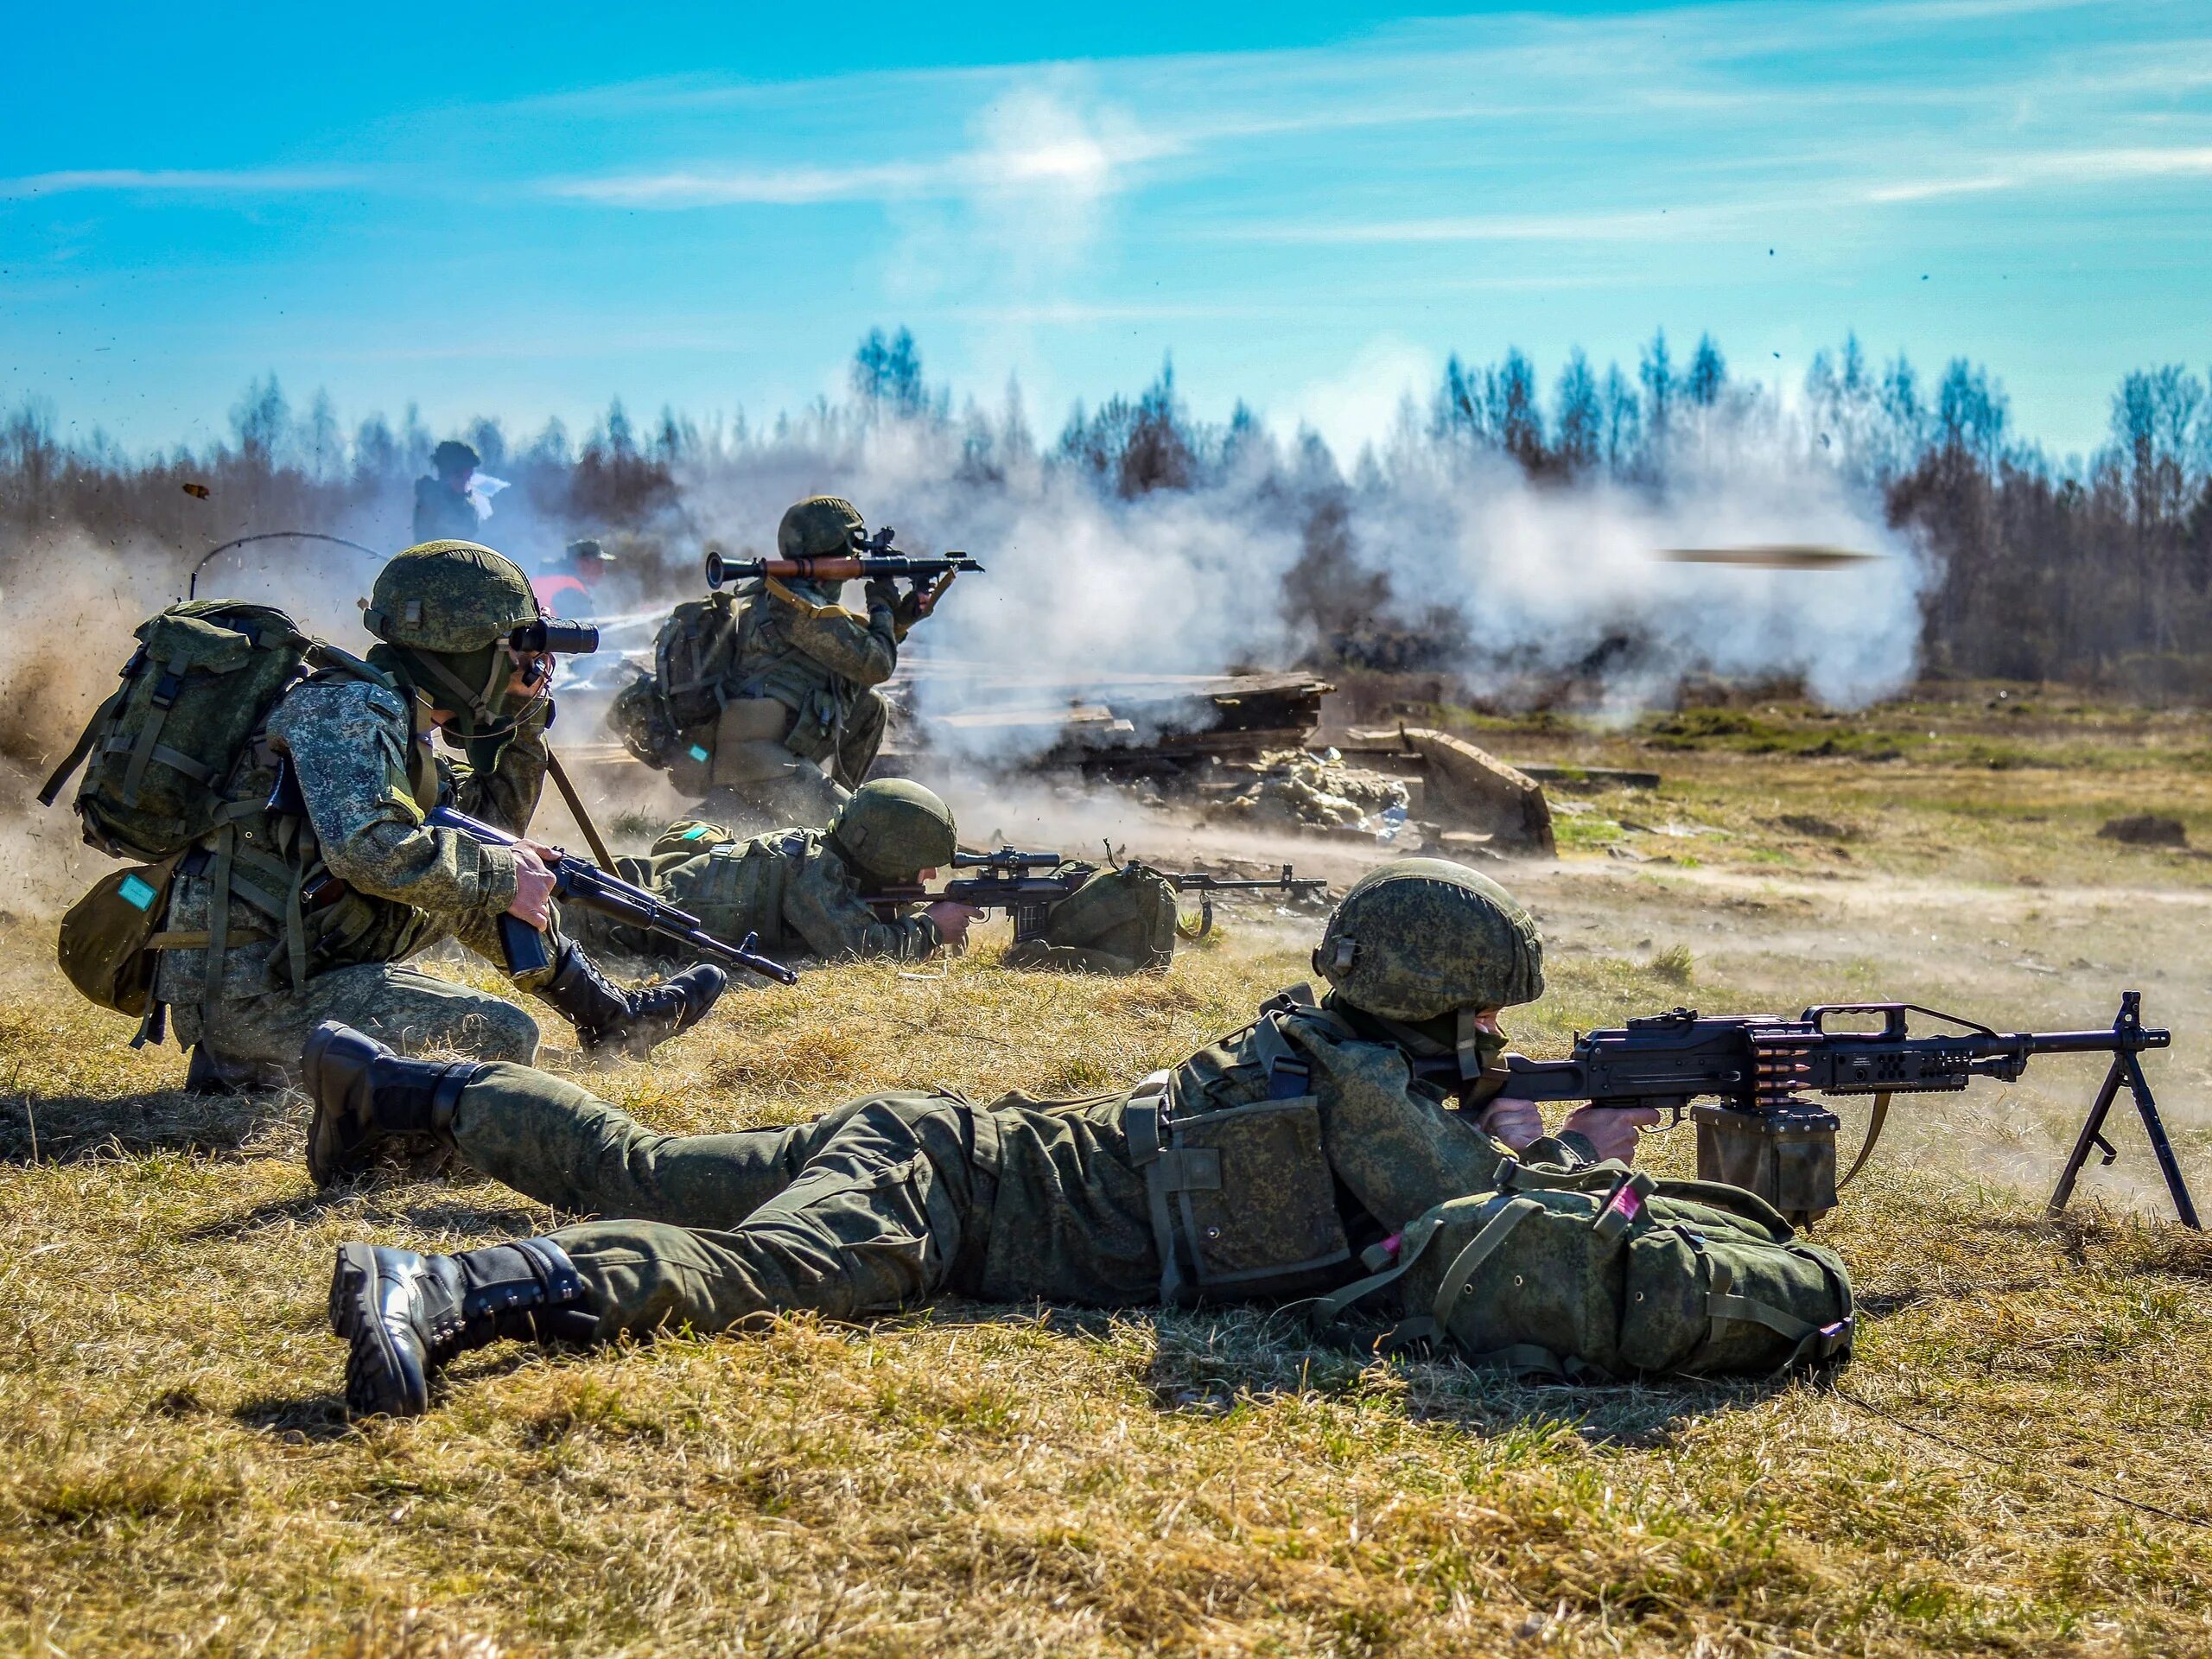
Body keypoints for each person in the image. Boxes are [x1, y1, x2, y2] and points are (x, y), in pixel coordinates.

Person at [306, 857, 1664, 1417]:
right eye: (1482, 1009)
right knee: (768, 1273)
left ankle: (396, 1094)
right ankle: (449, 1284)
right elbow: (1509, 1245)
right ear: (1428, 1002)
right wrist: (1589, 1145)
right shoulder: (1378, 1104)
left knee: (645, 1169)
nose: (1496, 1030)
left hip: (937, 1141)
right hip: (940, 1193)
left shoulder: (1331, 1043)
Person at [155, 539, 729, 1093]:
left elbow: (488, 823)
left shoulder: (399, 719)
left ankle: (611, 1018)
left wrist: (525, 720)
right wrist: (505, 876)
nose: (526, 666)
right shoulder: (346, 709)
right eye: (513, 653)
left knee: (485, 870)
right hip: (256, 998)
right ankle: (243, 1063)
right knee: (504, 1034)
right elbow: (370, 850)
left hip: (308, 957)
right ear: (465, 652)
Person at [613, 496, 930, 828]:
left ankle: (826, 809)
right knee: (859, 833)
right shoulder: (796, 607)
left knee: (871, 705)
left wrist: (899, 620)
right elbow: (875, 665)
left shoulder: (785, 598)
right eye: (851, 552)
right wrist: (881, 604)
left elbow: (852, 660)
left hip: (769, 755)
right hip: (758, 764)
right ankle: (830, 824)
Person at [565, 779, 984, 966]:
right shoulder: (812, 870)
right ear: (881, 855)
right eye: (919, 864)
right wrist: (931, 928)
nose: (929, 873)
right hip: (609, 917)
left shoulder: (831, 857)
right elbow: (858, 951)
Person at [412, 442, 483, 545]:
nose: (468, 479)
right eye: (464, 474)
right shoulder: (430, 500)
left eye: (469, 473)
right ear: (451, 474)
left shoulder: (467, 506)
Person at [533, 539, 616, 613]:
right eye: (598, 565)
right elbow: (587, 628)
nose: (602, 571)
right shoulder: (571, 590)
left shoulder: (542, 580)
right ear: (583, 564)